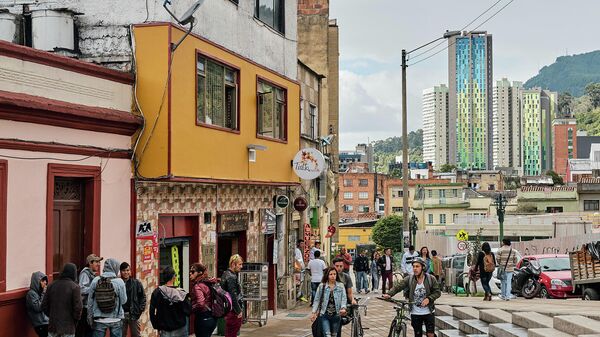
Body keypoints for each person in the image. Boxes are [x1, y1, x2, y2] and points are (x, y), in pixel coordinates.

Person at [382, 257, 442, 337]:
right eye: (413, 266)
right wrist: (389, 294)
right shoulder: (409, 279)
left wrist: (429, 298)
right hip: (415, 312)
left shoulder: (431, 279)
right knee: (417, 334)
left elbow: (437, 292)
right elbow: (398, 287)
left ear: (423, 267)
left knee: (430, 334)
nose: (415, 269)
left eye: (417, 266)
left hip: (428, 311)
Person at [87, 258, 127, 337]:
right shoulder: (120, 282)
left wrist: (90, 316)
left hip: (99, 319)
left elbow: (90, 301)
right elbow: (123, 301)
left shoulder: (96, 280)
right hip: (116, 318)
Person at [42, 263, 83, 337]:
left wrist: (52, 315)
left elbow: (44, 305)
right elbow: (78, 308)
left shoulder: (51, 285)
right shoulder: (75, 287)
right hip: (68, 328)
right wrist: (75, 321)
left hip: (53, 326)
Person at [150, 266, 191, 337]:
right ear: (173, 277)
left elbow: (152, 312)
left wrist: (157, 326)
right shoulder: (181, 293)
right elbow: (188, 310)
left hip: (164, 329)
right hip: (180, 328)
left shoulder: (157, 292)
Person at [310, 267, 347, 337]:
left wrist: (343, 308)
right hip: (324, 315)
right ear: (327, 275)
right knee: (327, 335)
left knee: (334, 335)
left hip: (336, 315)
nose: (333, 276)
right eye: (331, 274)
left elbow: (344, 298)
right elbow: (317, 300)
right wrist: (313, 312)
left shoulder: (341, 286)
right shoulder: (322, 286)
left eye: (334, 274)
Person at [190, 262, 218, 337]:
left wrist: (191, 308)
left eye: (193, 272)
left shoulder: (197, 286)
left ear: (200, 273)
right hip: (212, 318)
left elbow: (201, 303)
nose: (190, 274)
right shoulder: (208, 282)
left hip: (203, 319)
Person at [78, 254, 102, 337]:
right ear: (90, 263)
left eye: (99, 262)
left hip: (90, 307)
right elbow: (81, 289)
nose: (98, 264)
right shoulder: (85, 273)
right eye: (96, 262)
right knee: (87, 332)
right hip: (86, 308)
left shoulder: (92, 273)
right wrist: (94, 288)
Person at [119, 262, 146, 337]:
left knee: (136, 335)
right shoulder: (118, 283)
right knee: (121, 335)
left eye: (128, 270)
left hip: (133, 314)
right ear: (120, 272)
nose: (126, 272)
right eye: (124, 270)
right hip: (121, 314)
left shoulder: (136, 283)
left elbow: (143, 297)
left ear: (130, 271)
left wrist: (140, 310)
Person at [221, 254, 244, 337]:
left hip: (229, 309)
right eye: (239, 264)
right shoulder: (231, 277)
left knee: (230, 333)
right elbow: (233, 295)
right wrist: (238, 310)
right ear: (233, 264)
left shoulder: (226, 273)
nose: (241, 266)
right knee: (232, 333)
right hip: (232, 311)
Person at [27, 271, 49, 337]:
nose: (45, 282)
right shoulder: (31, 294)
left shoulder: (40, 292)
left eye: (45, 280)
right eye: (42, 280)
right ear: (37, 281)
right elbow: (38, 307)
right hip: (40, 324)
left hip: (46, 321)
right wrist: (44, 294)